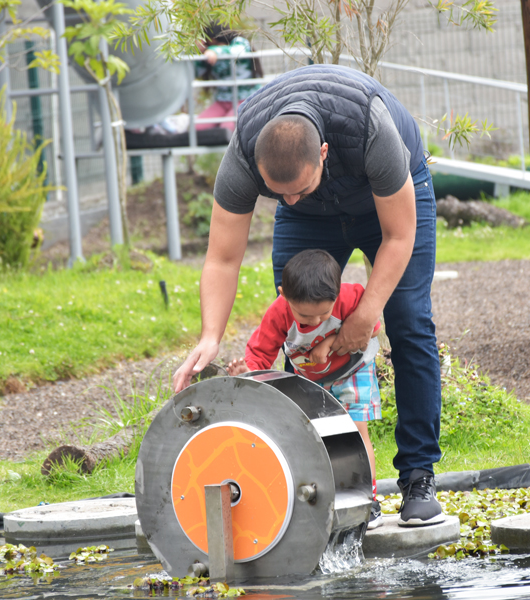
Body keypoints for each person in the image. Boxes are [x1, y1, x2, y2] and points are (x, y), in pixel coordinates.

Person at [173, 63, 444, 527]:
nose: (288, 200)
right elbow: (221, 258)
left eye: (297, 189)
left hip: (391, 196)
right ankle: (319, 482)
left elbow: (399, 237)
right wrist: (210, 336)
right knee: (299, 329)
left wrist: (367, 314)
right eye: (278, 194)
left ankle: (418, 477)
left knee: (408, 321)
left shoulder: (369, 128)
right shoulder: (245, 154)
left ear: (322, 154)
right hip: (313, 220)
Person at [225, 249, 384, 530]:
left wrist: (330, 343)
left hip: (354, 369)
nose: (315, 322)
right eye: (304, 316)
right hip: (311, 379)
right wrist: (249, 373)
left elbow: (371, 326)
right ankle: (327, 500)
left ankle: (367, 501)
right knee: (316, 439)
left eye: (324, 314)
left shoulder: (350, 296)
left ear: (337, 294)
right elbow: (261, 352)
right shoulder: (278, 313)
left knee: (355, 435)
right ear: (283, 295)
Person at [194, 23, 263, 133]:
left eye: (215, 44)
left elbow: (236, 51)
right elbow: (195, 72)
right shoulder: (208, 53)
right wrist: (198, 53)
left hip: (246, 98)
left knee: (227, 128)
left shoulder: (239, 42)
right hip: (223, 100)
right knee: (198, 127)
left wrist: (213, 51)